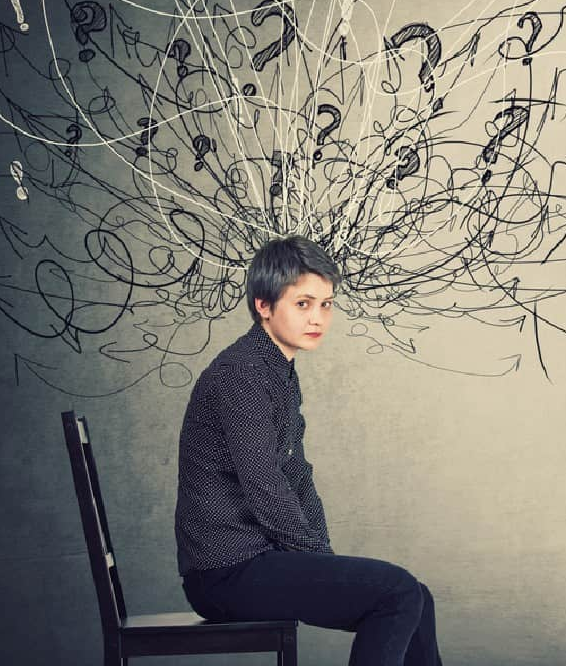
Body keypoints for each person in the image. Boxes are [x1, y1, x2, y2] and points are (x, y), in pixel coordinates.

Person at [174, 235, 443, 666]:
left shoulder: (276, 369)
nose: (317, 317)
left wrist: (324, 562)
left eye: (326, 304)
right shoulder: (239, 375)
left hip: (257, 561)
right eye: (303, 304)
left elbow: (297, 475)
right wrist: (317, 562)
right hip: (225, 572)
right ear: (263, 305)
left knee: (417, 598)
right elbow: (266, 484)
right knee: (397, 592)